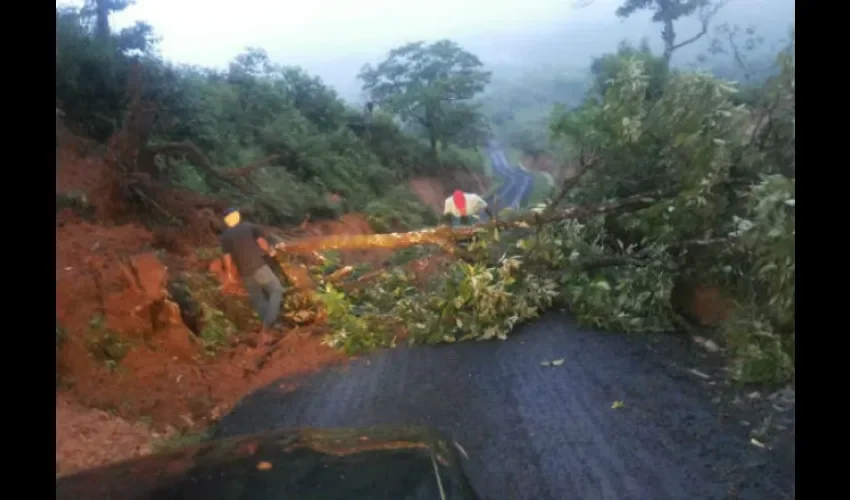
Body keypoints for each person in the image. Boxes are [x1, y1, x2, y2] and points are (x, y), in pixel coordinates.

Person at [219, 208, 284, 334]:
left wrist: (230, 274)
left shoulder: (225, 236)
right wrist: (270, 251)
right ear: (237, 216)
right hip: (258, 267)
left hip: (245, 273)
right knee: (276, 290)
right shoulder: (249, 227)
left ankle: (269, 328)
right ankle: (269, 323)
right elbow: (261, 242)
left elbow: (227, 257)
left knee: (259, 299)